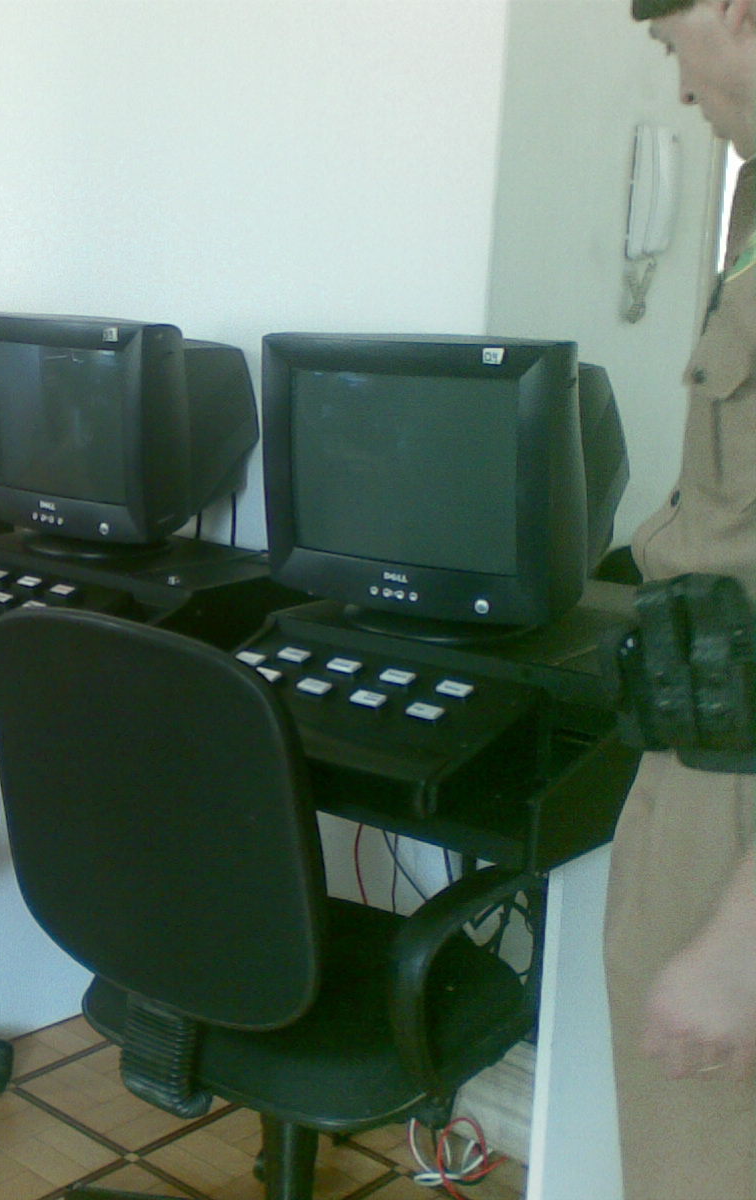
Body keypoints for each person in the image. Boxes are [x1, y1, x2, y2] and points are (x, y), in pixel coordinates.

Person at [607, 1, 756, 1196]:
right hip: (699, 748)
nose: (678, 90)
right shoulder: (750, 203)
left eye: (671, 49)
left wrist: (743, 941)